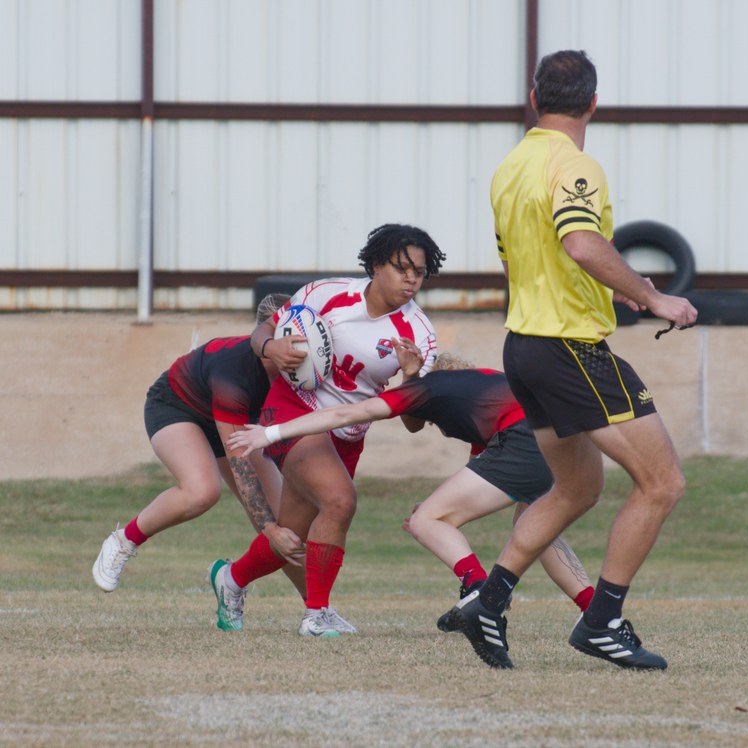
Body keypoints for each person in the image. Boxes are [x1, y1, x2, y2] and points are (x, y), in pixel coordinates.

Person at [447, 50, 698, 670]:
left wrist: (605, 289)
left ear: (534, 100)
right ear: (593, 104)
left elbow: (518, 264)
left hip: (524, 346)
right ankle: (603, 620)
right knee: (663, 483)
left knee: (575, 488)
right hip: (569, 348)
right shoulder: (574, 163)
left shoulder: (510, 167)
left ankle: (488, 600)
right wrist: (652, 295)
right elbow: (581, 242)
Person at [227, 353, 596, 629]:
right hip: (562, 432)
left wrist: (271, 432)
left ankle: (483, 595)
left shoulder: (427, 388)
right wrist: (442, 503)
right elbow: (483, 470)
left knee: (425, 521)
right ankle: (593, 611)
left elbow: (348, 414)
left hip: (524, 437)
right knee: (537, 526)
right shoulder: (484, 388)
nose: (431, 424)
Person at [208, 223, 446, 637]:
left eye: (420, 272)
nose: (411, 279)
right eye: (402, 267)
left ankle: (230, 579)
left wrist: (410, 379)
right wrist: (271, 347)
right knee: (339, 501)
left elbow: (412, 423)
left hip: (347, 435)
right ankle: (317, 615)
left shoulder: (421, 335)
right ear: (375, 265)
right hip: (293, 409)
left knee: (293, 540)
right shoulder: (327, 293)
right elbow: (264, 330)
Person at [92, 294, 308, 632]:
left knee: (290, 524)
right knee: (202, 491)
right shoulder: (235, 374)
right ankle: (125, 539)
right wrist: (270, 530)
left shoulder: (300, 368)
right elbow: (241, 467)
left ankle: (313, 609)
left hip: (233, 423)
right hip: (177, 407)